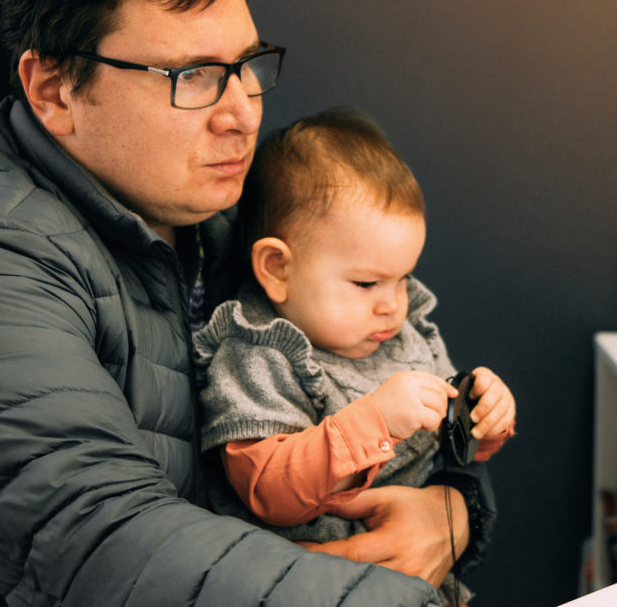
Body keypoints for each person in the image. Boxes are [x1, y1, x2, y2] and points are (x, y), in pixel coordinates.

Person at [0, 0, 495, 605]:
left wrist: (452, 513)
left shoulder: (231, 203)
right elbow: (104, 545)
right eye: (193, 76)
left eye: (245, 65)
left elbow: (404, 381)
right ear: (54, 89)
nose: (243, 112)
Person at [193, 108, 516, 605]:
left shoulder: (402, 334)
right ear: (277, 268)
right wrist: (377, 421)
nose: (392, 304)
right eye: (366, 283)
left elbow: (449, 450)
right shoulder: (257, 350)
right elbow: (268, 490)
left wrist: (482, 418)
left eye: (402, 278)